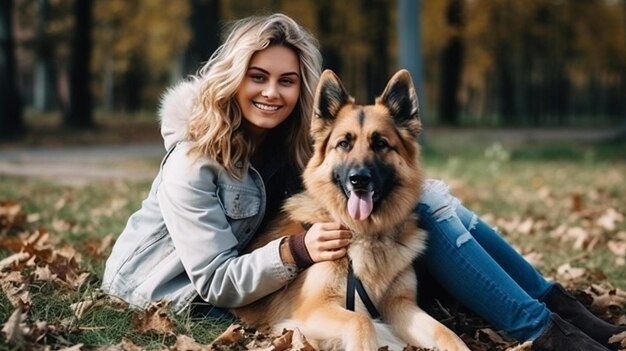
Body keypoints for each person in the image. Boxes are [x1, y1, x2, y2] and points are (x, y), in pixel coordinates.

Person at [101, 13, 625, 351]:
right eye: (257, 77)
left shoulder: (294, 138)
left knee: (439, 212)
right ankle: (544, 331)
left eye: (286, 80)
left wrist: (423, 192)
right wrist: (297, 251)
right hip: (189, 289)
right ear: (233, 78)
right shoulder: (193, 163)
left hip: (294, 257)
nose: (271, 93)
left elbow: (360, 165)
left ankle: (558, 308)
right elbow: (215, 280)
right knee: (428, 238)